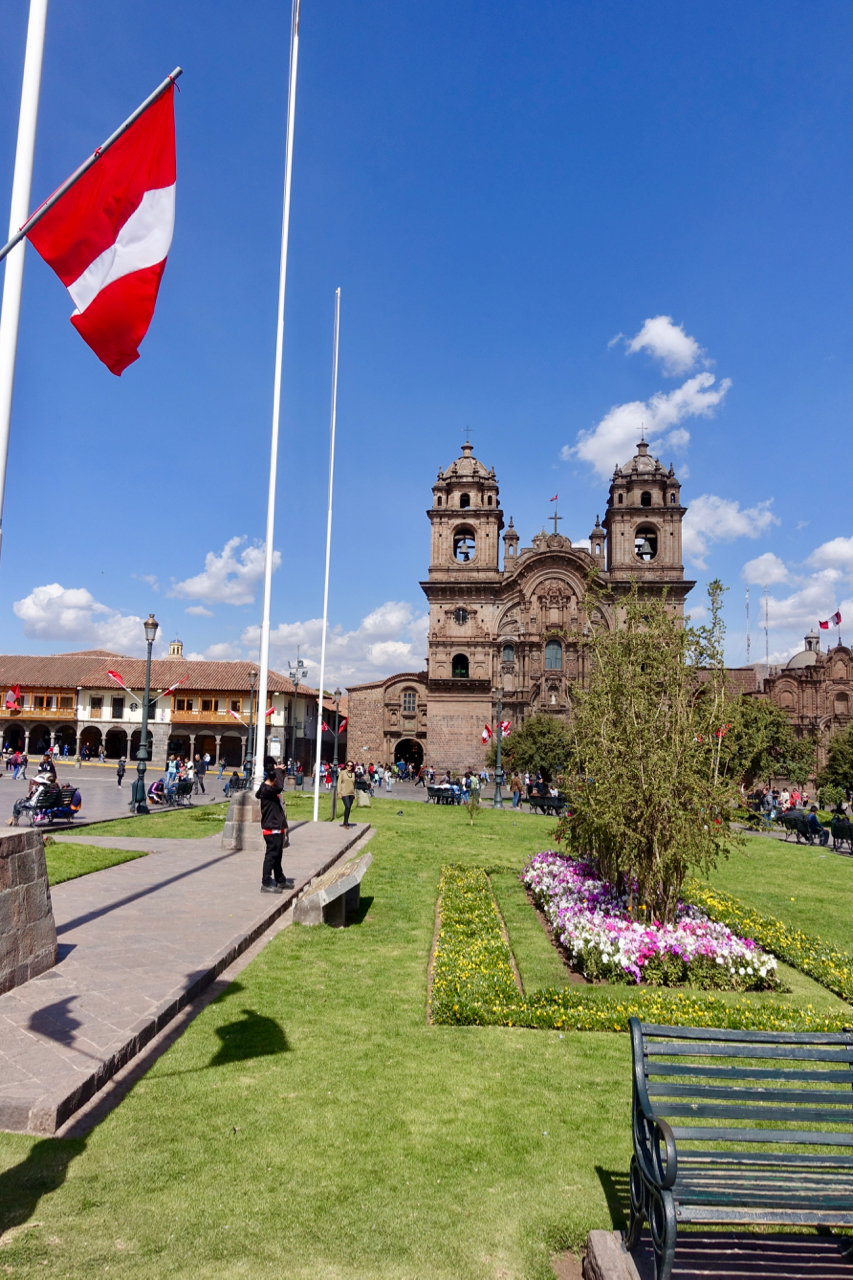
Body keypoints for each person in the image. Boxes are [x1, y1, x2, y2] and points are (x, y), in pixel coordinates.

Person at [255, 765, 293, 893]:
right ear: (274, 780)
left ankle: (280, 880)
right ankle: (266, 883)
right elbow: (279, 787)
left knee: (277, 855)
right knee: (271, 856)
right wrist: (278, 771)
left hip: (277, 827)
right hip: (272, 828)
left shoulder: (266, 788)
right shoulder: (267, 790)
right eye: (279, 778)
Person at [338, 760, 357, 828]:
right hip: (344, 793)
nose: (349, 767)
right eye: (348, 765)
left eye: (351, 766)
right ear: (346, 766)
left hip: (351, 793)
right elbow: (339, 783)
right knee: (347, 806)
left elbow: (353, 785)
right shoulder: (342, 773)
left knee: (348, 808)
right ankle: (345, 823)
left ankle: (346, 821)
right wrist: (339, 792)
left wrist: (354, 794)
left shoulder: (353, 774)